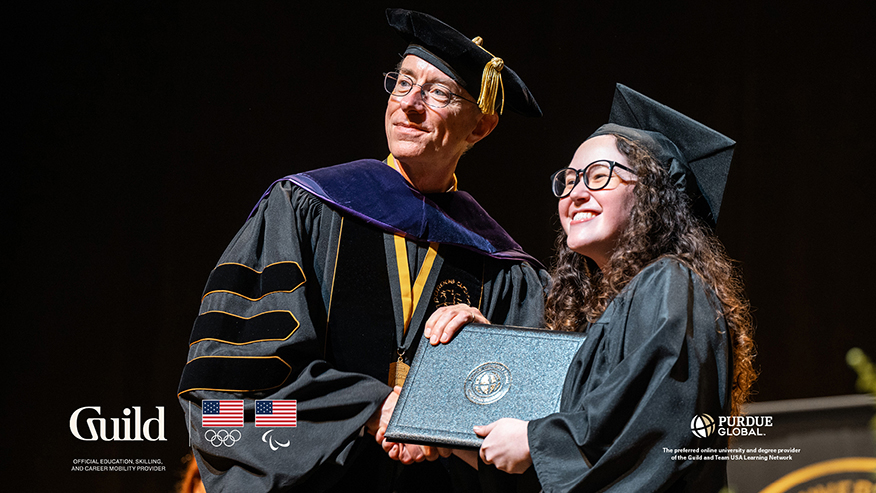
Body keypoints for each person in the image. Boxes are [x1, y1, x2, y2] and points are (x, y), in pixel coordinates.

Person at [176, 8, 547, 493]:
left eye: (438, 92)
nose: (409, 104)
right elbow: (223, 402)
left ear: (480, 127)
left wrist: (477, 368)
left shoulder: (500, 265)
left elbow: (525, 428)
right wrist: (367, 408)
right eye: (403, 83)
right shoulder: (304, 209)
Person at [422, 84, 757, 491]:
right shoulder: (599, 311)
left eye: (599, 176)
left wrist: (535, 440)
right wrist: (479, 358)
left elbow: (647, 422)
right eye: (568, 180)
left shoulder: (670, 284)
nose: (576, 193)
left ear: (652, 195)